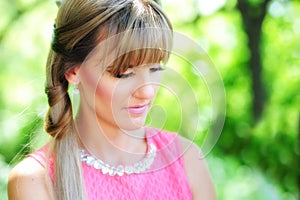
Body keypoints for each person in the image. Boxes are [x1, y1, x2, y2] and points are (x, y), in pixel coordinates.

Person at [7, 0, 216, 199]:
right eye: (124, 73)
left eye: (155, 68)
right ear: (73, 71)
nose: (148, 92)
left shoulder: (187, 161)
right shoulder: (35, 180)